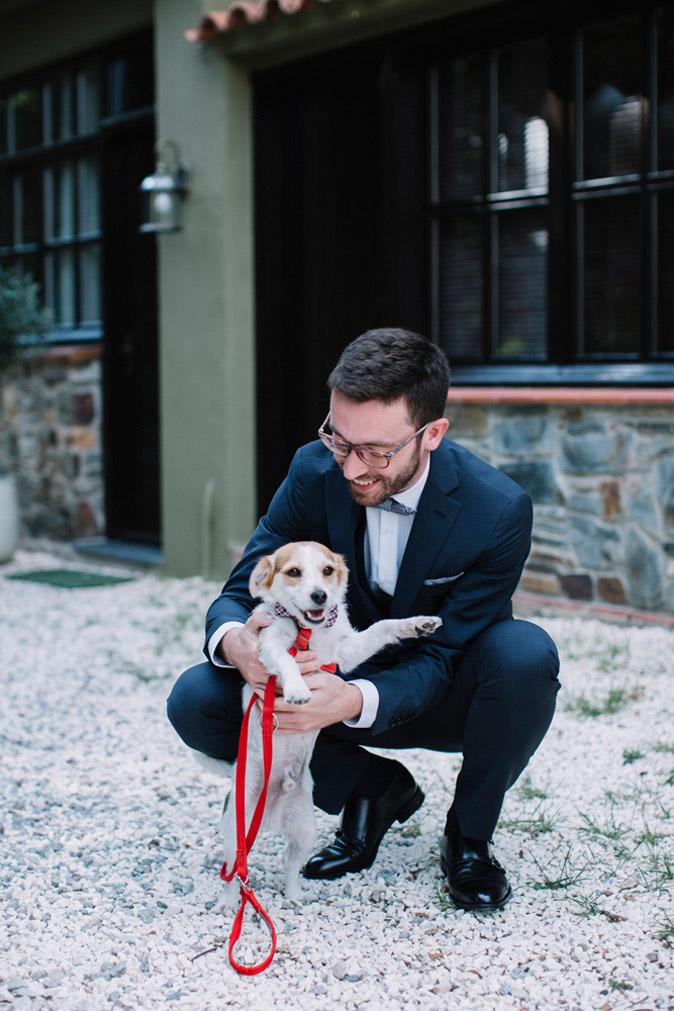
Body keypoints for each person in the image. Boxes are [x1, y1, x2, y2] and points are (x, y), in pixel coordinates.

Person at [167, 328, 560, 911]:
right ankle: (375, 789)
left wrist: (351, 699)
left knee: (525, 655)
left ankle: (468, 839)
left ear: (431, 434)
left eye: (376, 452)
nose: (351, 467)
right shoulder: (312, 470)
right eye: (338, 439)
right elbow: (242, 583)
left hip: (440, 690)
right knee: (199, 698)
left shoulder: (497, 510)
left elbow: (445, 653)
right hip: (321, 681)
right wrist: (238, 643)